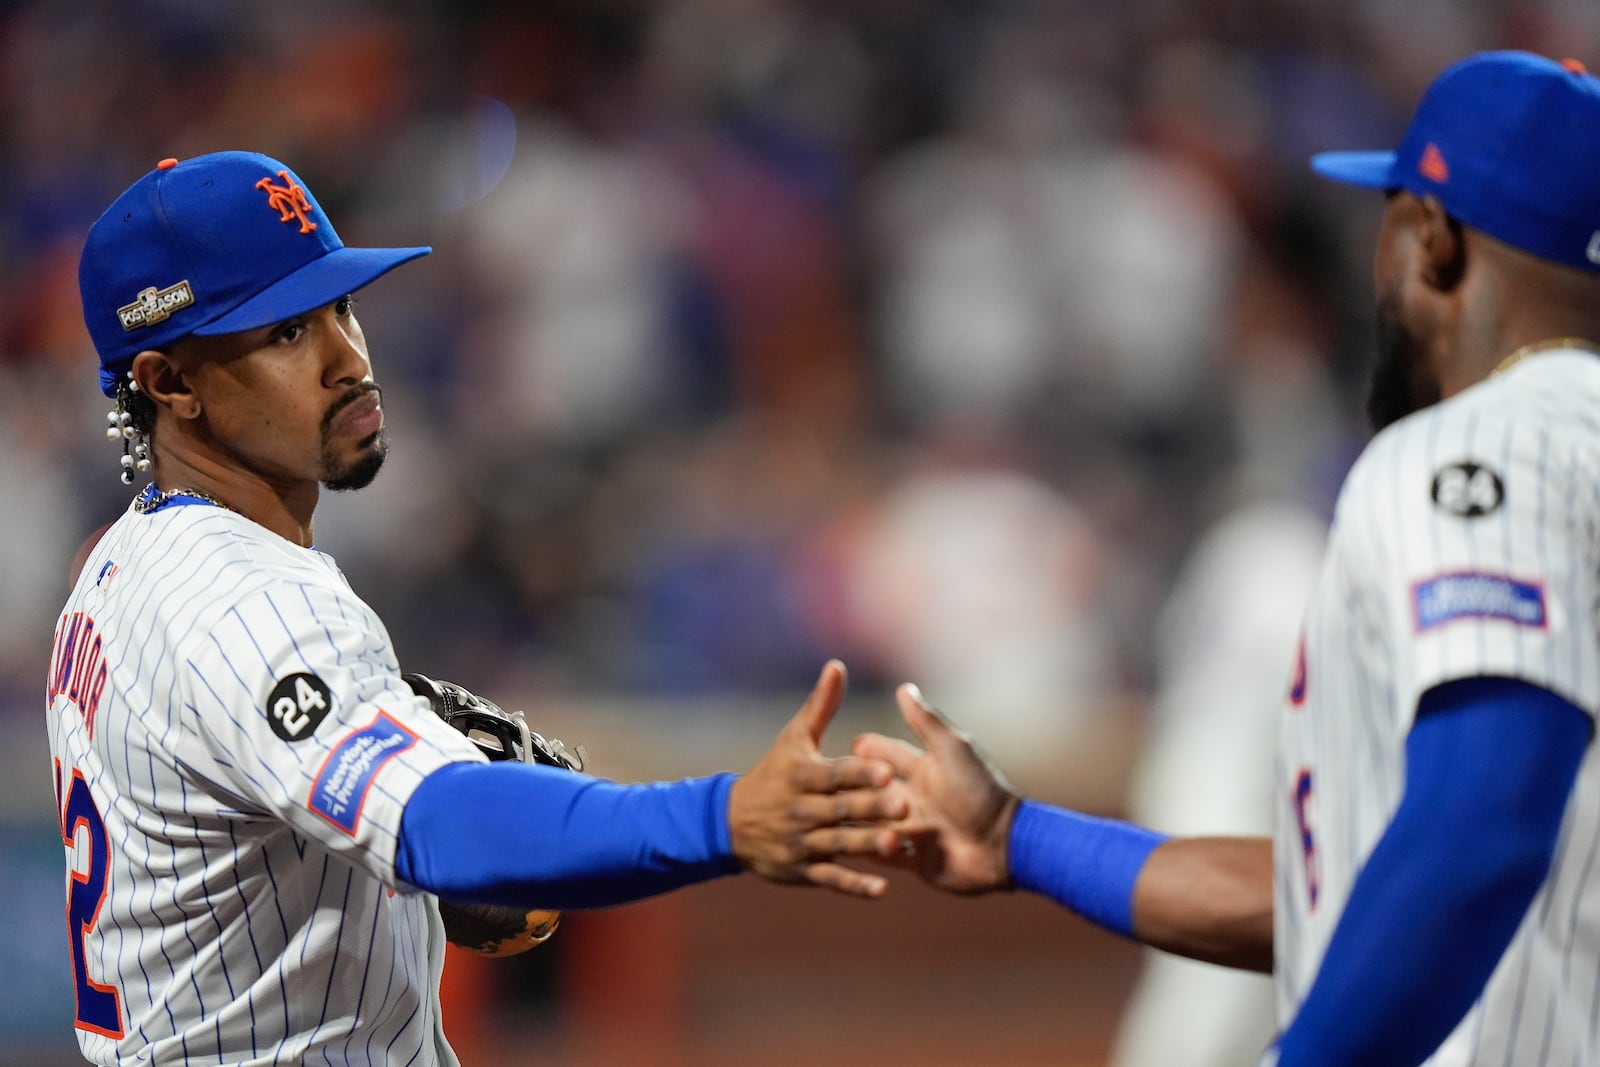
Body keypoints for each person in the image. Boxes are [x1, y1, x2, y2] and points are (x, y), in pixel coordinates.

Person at [51, 150, 906, 1066]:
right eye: (287, 332)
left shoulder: (120, 566)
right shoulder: (244, 599)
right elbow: (437, 820)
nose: (349, 359)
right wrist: (723, 817)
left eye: (342, 307)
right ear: (168, 384)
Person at [852, 50, 1600, 1066]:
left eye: (1385, 215)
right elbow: (1360, 892)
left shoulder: (1479, 444)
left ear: (1433, 237)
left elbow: (1480, 829)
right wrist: (1017, 836)